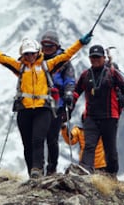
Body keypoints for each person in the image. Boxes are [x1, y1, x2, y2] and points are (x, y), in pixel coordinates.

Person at [0, 32, 92, 178]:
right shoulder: (19, 67)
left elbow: (66, 55)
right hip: (24, 109)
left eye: (32, 53)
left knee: (38, 139)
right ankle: (32, 173)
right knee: (27, 143)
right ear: (23, 54)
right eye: (26, 54)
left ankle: (38, 169)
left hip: (43, 108)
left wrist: (81, 42)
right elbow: (0, 57)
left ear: (37, 52)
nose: (29, 56)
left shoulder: (47, 66)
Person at [72, 44, 124, 178]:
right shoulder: (85, 75)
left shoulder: (112, 73)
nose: (95, 59)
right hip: (91, 117)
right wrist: (70, 103)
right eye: (93, 57)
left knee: (110, 148)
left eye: (98, 57)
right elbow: (76, 91)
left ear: (104, 58)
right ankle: (86, 170)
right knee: (89, 145)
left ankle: (111, 174)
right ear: (89, 58)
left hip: (110, 117)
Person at [40, 30, 76, 175]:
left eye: (50, 45)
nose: (47, 48)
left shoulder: (64, 62)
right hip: (40, 105)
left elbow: (70, 80)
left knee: (52, 139)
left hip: (57, 105)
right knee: (38, 138)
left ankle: (51, 168)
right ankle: (38, 167)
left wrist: (68, 93)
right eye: (45, 45)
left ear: (57, 46)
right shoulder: (37, 59)